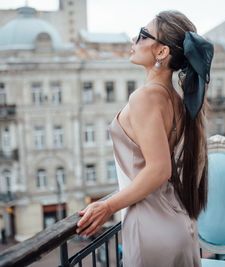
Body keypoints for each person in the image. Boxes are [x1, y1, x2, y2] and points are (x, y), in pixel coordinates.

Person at [77, 10, 214, 267]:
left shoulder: (145, 97)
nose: (133, 38)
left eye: (142, 35)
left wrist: (107, 207)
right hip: (178, 222)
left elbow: (159, 169)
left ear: (162, 52)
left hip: (151, 227)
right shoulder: (175, 99)